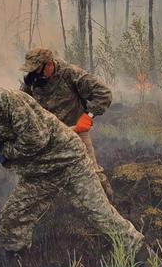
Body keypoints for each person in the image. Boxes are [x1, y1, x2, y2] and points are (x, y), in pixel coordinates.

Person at [0, 76, 147, 262]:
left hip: (68, 161)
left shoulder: (8, 101)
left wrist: (5, 153)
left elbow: (37, 138)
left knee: (101, 216)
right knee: (12, 220)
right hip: (38, 174)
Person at [19, 48, 114, 201]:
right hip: (48, 137)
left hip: (75, 133)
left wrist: (88, 116)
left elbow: (104, 93)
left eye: (37, 70)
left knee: (92, 175)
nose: (35, 75)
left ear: (49, 64)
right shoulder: (32, 81)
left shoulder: (70, 74)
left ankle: (110, 206)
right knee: (41, 180)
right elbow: (22, 105)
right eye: (32, 71)